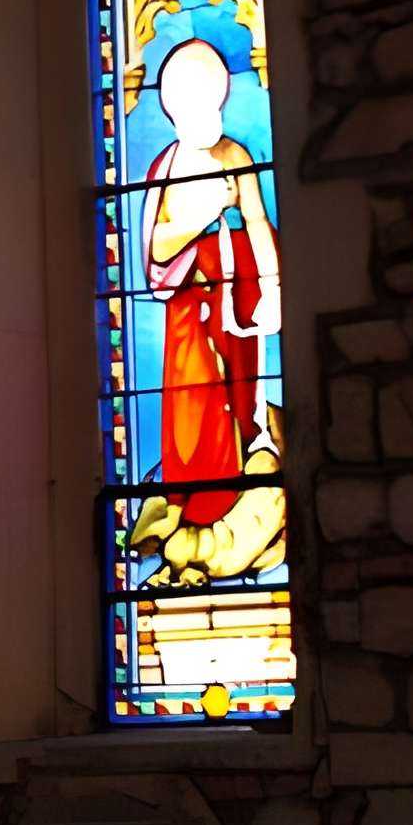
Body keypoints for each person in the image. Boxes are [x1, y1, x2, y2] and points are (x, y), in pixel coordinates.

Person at [139, 37, 280, 523]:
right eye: (188, 97)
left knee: (238, 399)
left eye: (208, 93)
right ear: (173, 105)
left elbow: (258, 222)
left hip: (231, 301)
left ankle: (234, 499)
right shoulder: (165, 168)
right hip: (187, 311)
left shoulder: (237, 156)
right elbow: (156, 247)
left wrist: (274, 289)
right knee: (193, 405)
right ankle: (195, 502)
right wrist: (204, 211)